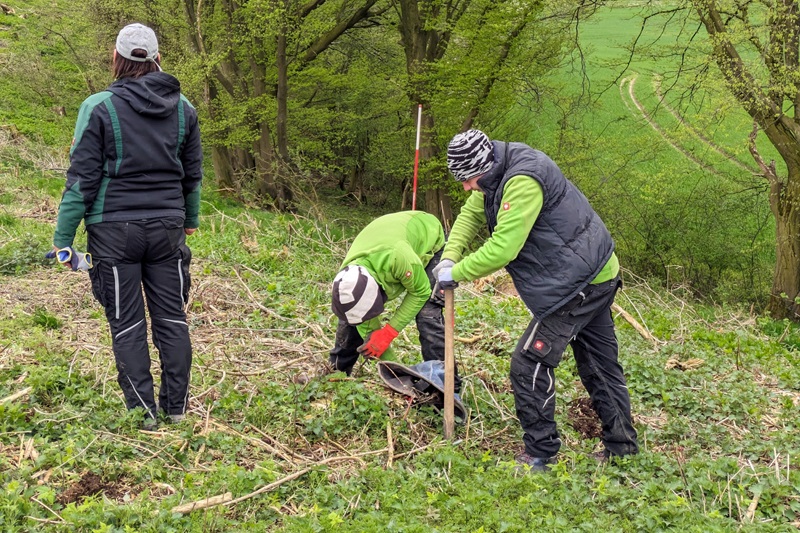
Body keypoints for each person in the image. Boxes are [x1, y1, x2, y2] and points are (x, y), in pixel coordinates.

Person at [436, 129, 637, 471]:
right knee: (599, 365)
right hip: (593, 272)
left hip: (578, 284)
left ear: (485, 164)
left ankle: (540, 453)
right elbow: (471, 214)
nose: (468, 187)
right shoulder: (495, 173)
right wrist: (449, 256)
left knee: (528, 363)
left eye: (470, 179)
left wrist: (457, 274)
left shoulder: (522, 181)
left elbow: (503, 248)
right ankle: (622, 449)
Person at [52, 23, 203, 429]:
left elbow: (80, 180)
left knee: (128, 322)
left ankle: (143, 414)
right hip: (167, 228)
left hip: (114, 232)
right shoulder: (184, 108)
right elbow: (193, 175)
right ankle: (176, 409)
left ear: (115, 58)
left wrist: (63, 239)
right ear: (157, 60)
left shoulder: (98, 107)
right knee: (172, 317)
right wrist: (189, 219)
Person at [330, 210, 461, 392]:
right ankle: (337, 372)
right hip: (390, 238)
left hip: (429, 238)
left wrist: (389, 332)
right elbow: (367, 328)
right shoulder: (348, 277)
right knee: (351, 315)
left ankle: (446, 386)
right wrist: (399, 379)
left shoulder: (397, 257)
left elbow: (420, 292)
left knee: (426, 314)